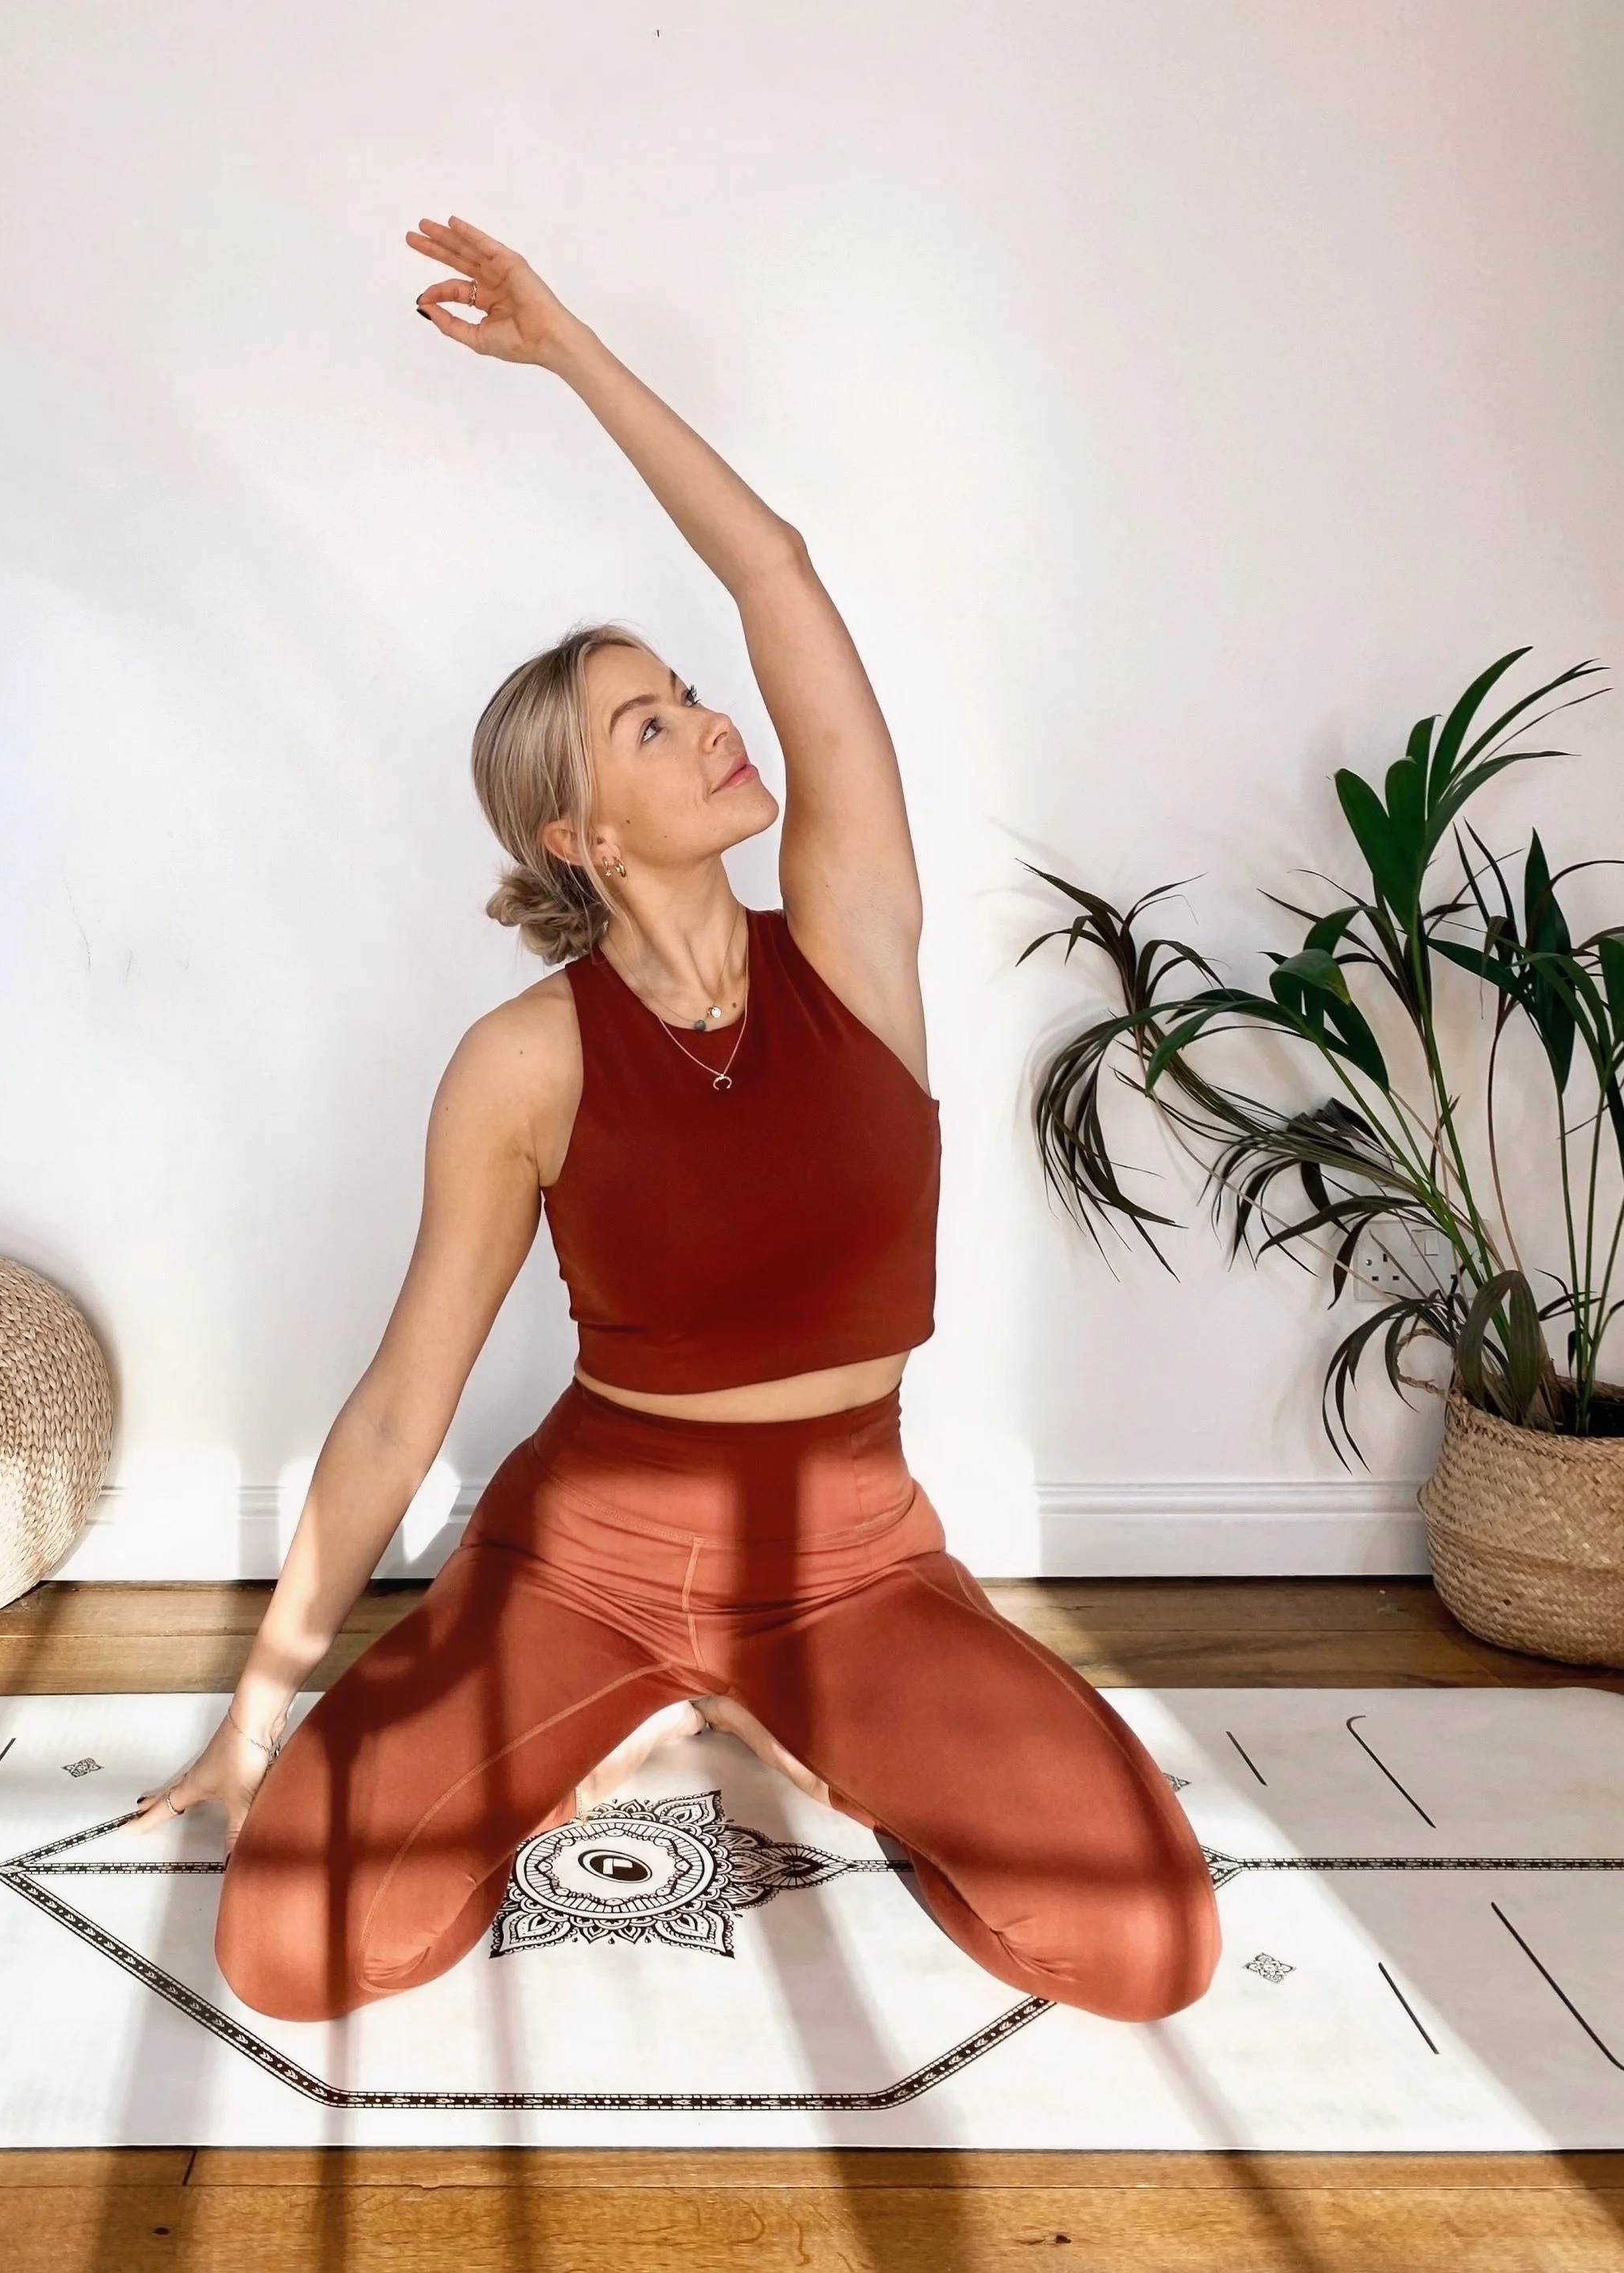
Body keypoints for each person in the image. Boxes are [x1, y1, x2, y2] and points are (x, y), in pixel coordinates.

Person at [131, 215, 1221, 2028]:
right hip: (587, 1552)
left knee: (1147, 1946)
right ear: (582, 838)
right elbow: (404, 1399)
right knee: (292, 1950)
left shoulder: (852, 938)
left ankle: (775, 1715)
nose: (710, 723)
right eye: (649, 726)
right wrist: (258, 1707)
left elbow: (773, 568)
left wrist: (565, 347)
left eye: (690, 693)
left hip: (852, 1558)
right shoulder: (525, 1062)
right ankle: (603, 1713)